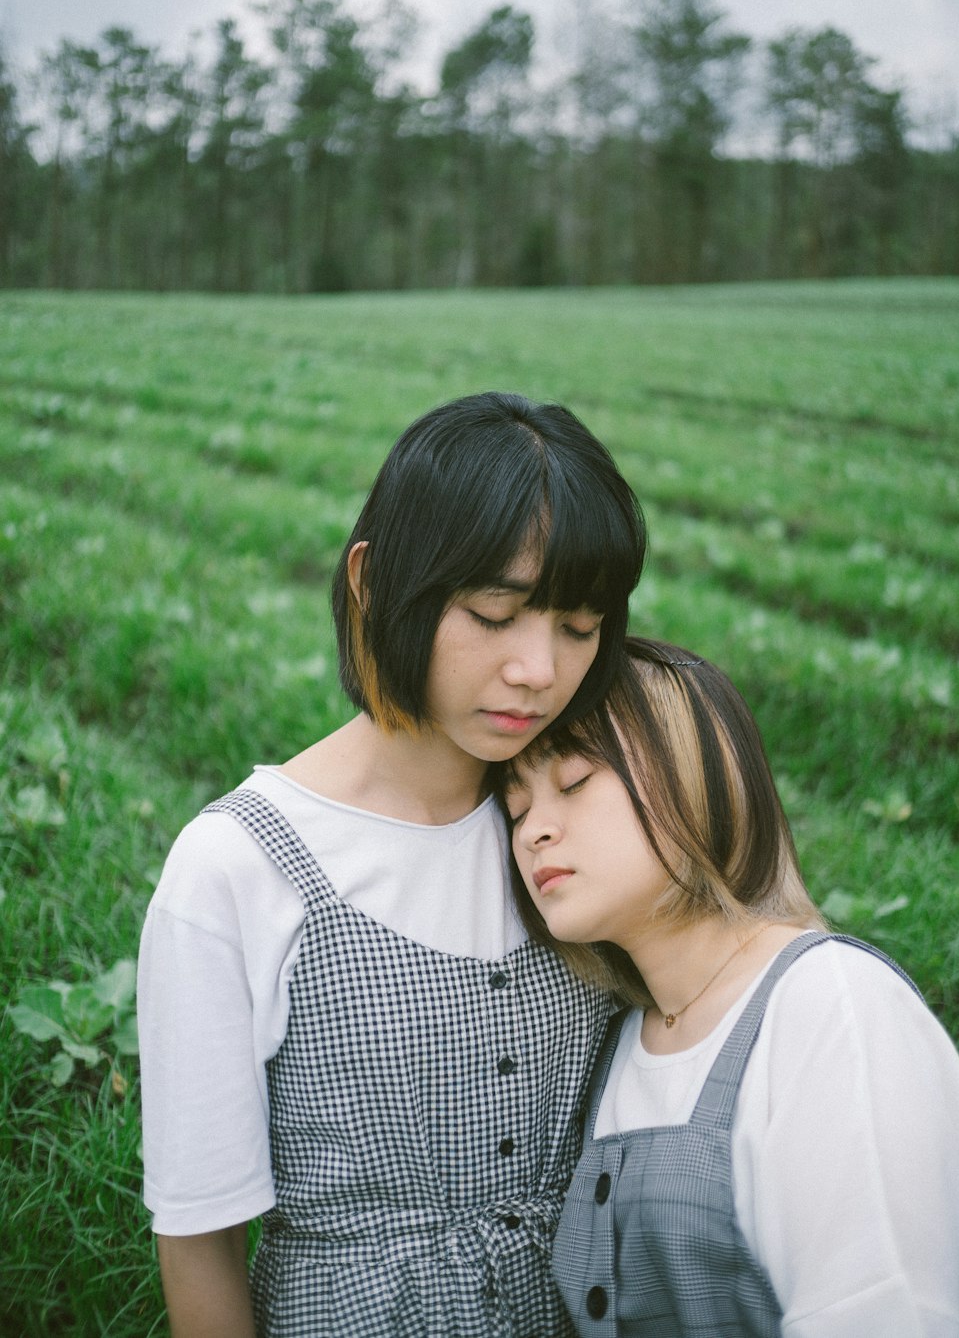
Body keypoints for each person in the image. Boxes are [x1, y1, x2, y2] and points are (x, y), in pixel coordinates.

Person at [137, 391, 646, 1338]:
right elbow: (200, 1239)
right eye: (495, 612)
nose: (539, 668)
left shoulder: (583, 820)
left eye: (578, 627)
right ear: (373, 581)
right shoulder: (237, 869)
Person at [503, 637, 959, 1337]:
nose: (533, 833)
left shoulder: (834, 1007)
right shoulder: (617, 1040)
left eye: (577, 780)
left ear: (692, 773)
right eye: (516, 809)